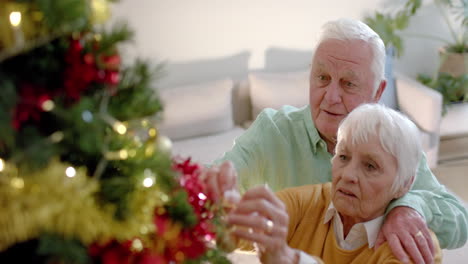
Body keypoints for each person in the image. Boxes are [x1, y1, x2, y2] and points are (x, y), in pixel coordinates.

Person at [207, 18, 467, 264]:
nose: (330, 96)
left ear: (378, 91)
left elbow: (459, 221)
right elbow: (213, 193)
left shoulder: (394, 145)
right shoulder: (274, 132)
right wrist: (217, 194)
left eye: (348, 84)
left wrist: (411, 205)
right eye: (322, 78)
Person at [211, 104, 442, 263]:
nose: (348, 175)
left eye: (370, 166)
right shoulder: (307, 201)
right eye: (343, 157)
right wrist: (218, 208)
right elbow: (235, 233)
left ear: (404, 185)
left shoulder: (415, 245)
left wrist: (289, 259)